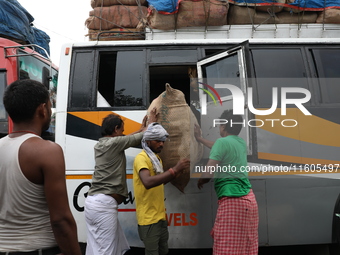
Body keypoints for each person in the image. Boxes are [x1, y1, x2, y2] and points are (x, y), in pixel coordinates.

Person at [0, 79, 81, 254]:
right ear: (42, 109)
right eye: (50, 106)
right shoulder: (47, 151)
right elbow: (61, 220)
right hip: (37, 249)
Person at [84, 109, 158, 255]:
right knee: (107, 251)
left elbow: (124, 140)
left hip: (94, 204)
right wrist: (153, 122)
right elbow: (141, 137)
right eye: (121, 131)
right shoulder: (114, 144)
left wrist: (140, 129)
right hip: (103, 206)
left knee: (97, 248)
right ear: (115, 129)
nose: (123, 134)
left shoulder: (102, 144)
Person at [195, 109, 259, 255]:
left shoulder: (222, 143)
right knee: (246, 247)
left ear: (223, 126)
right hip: (249, 201)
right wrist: (200, 139)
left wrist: (200, 180)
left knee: (226, 249)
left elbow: (208, 173)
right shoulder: (240, 143)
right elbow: (218, 146)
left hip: (232, 202)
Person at [133, 122, 190, 255]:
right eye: (157, 140)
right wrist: (173, 170)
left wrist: (176, 174)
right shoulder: (141, 158)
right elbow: (147, 182)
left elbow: (158, 183)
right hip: (148, 220)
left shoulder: (156, 159)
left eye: (162, 141)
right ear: (147, 141)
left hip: (160, 217)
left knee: (163, 252)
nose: (161, 144)